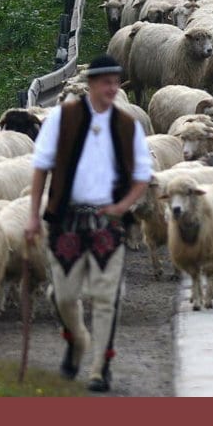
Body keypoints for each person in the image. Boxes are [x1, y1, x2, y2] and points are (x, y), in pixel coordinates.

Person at [24, 54, 152, 393]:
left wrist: (123, 205)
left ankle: (100, 366)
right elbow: (41, 167)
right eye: (107, 82)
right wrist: (33, 215)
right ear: (92, 84)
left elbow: (142, 176)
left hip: (107, 222)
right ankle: (77, 339)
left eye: (116, 82)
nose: (113, 88)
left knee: (106, 295)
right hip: (66, 218)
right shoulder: (61, 118)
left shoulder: (127, 125)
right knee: (63, 294)